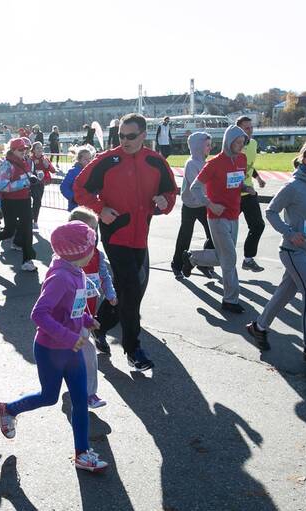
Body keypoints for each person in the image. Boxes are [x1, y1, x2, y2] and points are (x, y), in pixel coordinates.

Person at [0, 221, 110, 472]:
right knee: (49, 397)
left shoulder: (77, 271)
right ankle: (9, 409)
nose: (94, 250)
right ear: (77, 251)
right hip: (51, 350)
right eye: (91, 246)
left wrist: (88, 320)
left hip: (72, 350)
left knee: (80, 400)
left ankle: (82, 453)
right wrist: (68, 337)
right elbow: (39, 314)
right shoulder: (59, 277)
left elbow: (73, 308)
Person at [74, 113, 177, 371]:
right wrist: (100, 209)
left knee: (129, 290)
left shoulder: (156, 161)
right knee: (131, 287)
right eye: (121, 135)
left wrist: (165, 202)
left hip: (140, 234)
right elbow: (79, 188)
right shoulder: (107, 161)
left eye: (131, 136)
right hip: (115, 232)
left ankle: (100, 325)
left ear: (143, 135)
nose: (125, 140)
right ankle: (133, 350)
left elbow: (170, 192)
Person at [246, 141, 306, 363]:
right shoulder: (293, 186)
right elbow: (271, 211)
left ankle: (259, 326)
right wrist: (289, 232)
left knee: (285, 292)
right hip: (293, 250)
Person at [186, 125, 249, 312]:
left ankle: (192, 259)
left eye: (242, 142)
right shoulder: (214, 163)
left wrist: (246, 188)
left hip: (234, 215)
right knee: (229, 258)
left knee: (223, 257)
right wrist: (210, 204)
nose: (239, 145)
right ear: (228, 142)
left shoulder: (242, 159)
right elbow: (195, 187)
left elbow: (237, 182)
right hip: (216, 216)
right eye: (236, 142)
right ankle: (230, 300)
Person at [69, 207, 117, 409]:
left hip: (88, 315)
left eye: (95, 230)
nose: (93, 235)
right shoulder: (66, 258)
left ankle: (87, 392)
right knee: (81, 355)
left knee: (84, 355)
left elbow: (105, 275)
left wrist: (111, 294)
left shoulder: (97, 254)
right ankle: (83, 391)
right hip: (69, 318)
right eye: (88, 230)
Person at [171, 132, 214, 280]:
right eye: (207, 145)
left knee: (213, 235)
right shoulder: (191, 164)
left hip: (204, 204)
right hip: (191, 205)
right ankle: (177, 265)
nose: (210, 148)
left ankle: (203, 262)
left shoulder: (207, 163)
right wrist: (209, 199)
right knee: (185, 235)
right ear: (197, 146)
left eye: (210, 145)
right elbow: (196, 187)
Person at [0, 137, 37, 271]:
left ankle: (27, 261)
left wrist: (33, 179)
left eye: (25, 149)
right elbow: (2, 185)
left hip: (25, 201)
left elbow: (27, 178)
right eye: (20, 149)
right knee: (9, 230)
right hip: (9, 202)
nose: (24, 151)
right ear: (13, 150)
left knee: (28, 230)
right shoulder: (6, 165)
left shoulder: (25, 162)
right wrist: (24, 183)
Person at [236, 116, 268, 272]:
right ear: (238, 130)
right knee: (225, 231)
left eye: (251, 128)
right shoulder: (234, 147)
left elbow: (249, 166)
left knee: (258, 225)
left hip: (249, 192)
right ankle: (204, 258)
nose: (250, 131)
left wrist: (258, 178)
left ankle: (248, 259)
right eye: (246, 128)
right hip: (233, 195)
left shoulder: (253, 144)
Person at [29, 141, 57, 230]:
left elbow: (53, 170)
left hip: (40, 184)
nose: (40, 150)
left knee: (37, 202)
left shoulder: (45, 158)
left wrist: (47, 165)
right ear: (33, 150)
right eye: (38, 148)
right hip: (30, 184)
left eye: (41, 148)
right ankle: (28, 218)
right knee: (27, 202)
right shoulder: (30, 159)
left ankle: (35, 221)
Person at [60, 145, 94, 211]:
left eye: (90, 158)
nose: (89, 161)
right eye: (85, 159)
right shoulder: (73, 172)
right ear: (79, 160)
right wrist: (73, 198)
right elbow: (64, 187)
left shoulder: (93, 171)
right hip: (76, 207)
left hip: (90, 206)